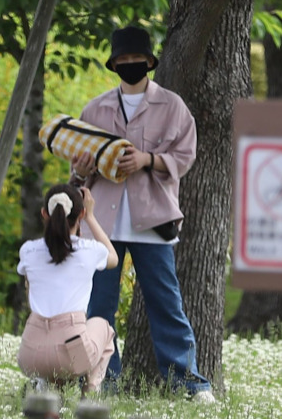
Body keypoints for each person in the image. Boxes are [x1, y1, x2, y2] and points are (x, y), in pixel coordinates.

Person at [70, 25, 215, 402]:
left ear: (150, 62)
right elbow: (77, 171)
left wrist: (148, 159)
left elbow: (186, 156)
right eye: (123, 60)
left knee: (165, 302)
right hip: (101, 225)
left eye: (137, 59)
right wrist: (81, 167)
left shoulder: (173, 106)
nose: (130, 64)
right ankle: (103, 382)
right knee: (99, 306)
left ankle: (189, 383)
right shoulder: (95, 108)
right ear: (114, 64)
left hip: (153, 221)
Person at [17, 183, 118, 395]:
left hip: (30, 355)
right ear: (80, 213)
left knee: (53, 344)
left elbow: (30, 293)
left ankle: (46, 385)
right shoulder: (89, 250)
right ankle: (91, 389)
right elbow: (113, 258)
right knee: (104, 328)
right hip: (71, 356)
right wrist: (91, 217)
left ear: (45, 213)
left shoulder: (28, 250)